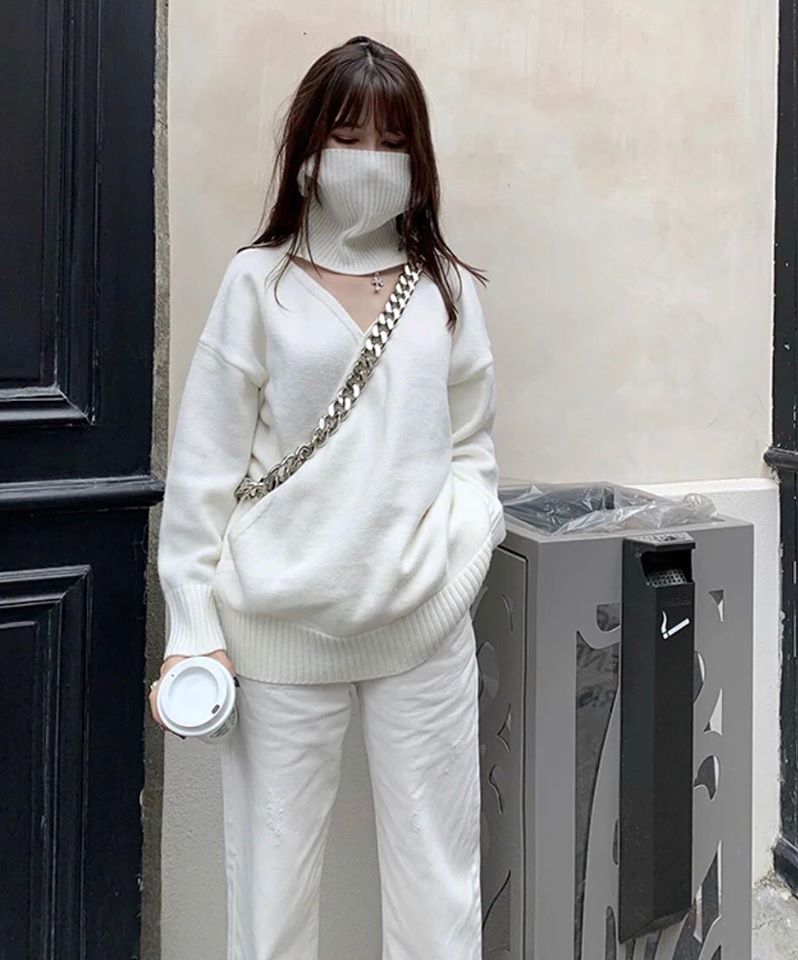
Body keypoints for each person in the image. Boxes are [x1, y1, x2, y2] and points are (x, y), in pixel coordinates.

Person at [150, 34, 506, 959]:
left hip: (422, 626)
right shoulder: (257, 283)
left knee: (438, 884)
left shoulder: (448, 290)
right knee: (270, 894)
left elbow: (472, 446)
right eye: (347, 137)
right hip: (278, 626)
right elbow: (203, 469)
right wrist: (192, 624)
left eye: (392, 141)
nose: (368, 162)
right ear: (308, 149)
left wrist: (461, 558)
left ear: (419, 159)